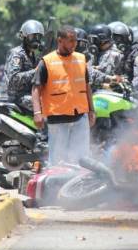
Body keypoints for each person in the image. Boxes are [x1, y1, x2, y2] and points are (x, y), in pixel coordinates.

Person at [31, 25, 95, 165]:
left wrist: (91, 110)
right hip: (58, 121)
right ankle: (56, 187)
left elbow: (87, 86)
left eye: (75, 41)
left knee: (82, 161)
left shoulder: (81, 59)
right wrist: (37, 112)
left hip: (80, 118)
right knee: (58, 163)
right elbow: (36, 89)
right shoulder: (47, 62)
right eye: (71, 41)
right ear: (60, 41)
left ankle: (79, 187)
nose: (74, 44)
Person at [3, 19, 44, 111]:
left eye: (38, 36)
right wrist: (36, 71)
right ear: (24, 37)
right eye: (32, 36)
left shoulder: (34, 55)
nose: (36, 39)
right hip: (18, 96)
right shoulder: (16, 54)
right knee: (43, 103)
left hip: (32, 92)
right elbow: (13, 80)